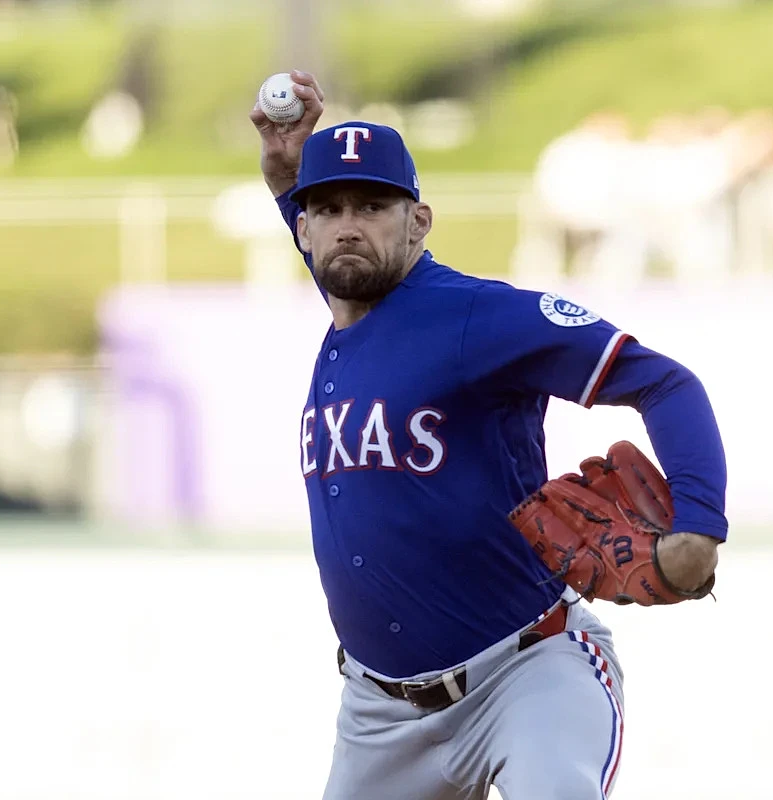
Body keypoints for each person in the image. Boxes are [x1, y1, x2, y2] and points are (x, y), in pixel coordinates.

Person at [249, 71, 728, 799]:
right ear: (303, 229)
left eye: (374, 205)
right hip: (378, 718)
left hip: (525, 674)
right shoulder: (350, 299)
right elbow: (340, 259)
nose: (349, 225)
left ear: (419, 222)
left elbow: (665, 383)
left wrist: (699, 525)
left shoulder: (479, 317)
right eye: (328, 207)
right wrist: (288, 175)